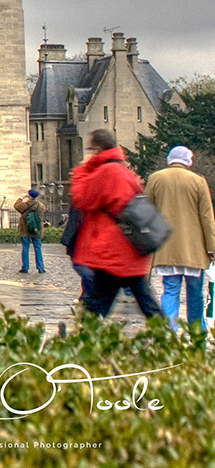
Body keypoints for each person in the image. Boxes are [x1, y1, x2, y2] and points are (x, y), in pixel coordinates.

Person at [70, 126, 164, 322]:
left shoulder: (107, 171)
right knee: (145, 301)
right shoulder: (122, 169)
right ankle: (167, 336)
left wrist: (81, 171)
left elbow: (82, 198)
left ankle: (84, 342)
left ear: (97, 149)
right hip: (128, 250)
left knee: (96, 307)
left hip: (113, 251)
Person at [145, 144, 215, 333]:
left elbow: (146, 212)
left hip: (166, 246)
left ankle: (169, 334)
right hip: (194, 249)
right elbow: (207, 217)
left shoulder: (155, 179)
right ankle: (197, 333)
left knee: (170, 291)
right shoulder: (198, 181)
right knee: (195, 294)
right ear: (188, 161)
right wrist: (211, 247)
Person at [13, 186, 46, 273]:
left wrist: (21, 198)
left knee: (25, 248)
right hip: (36, 230)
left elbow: (16, 206)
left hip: (25, 230)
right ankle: (41, 267)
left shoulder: (25, 205)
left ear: (29, 195)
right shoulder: (40, 205)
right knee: (38, 248)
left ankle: (25, 267)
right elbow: (43, 212)